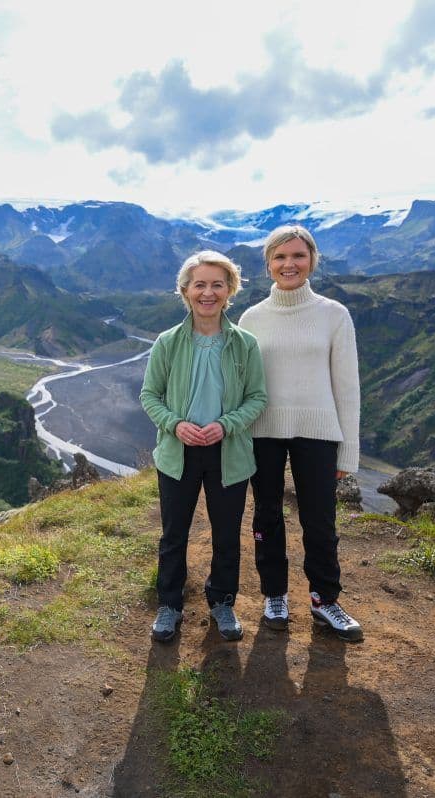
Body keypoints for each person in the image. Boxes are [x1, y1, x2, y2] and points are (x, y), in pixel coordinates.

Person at [238, 225, 363, 641]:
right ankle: (275, 594)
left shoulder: (334, 315)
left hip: (319, 432)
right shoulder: (252, 319)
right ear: (268, 265)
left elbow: (347, 387)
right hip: (263, 431)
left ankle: (325, 600)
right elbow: (241, 383)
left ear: (312, 261)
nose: (289, 264)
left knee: (320, 519)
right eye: (280, 257)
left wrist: (347, 452)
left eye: (298, 256)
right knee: (267, 515)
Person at [140, 250, 267, 643]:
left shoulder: (245, 344)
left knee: (226, 534)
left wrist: (226, 425)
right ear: (185, 291)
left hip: (228, 454)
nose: (208, 293)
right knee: (173, 534)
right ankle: (169, 604)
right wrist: (175, 425)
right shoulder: (167, 343)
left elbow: (257, 398)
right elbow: (150, 395)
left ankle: (222, 602)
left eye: (217, 284)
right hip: (177, 454)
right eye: (199, 285)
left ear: (230, 290)